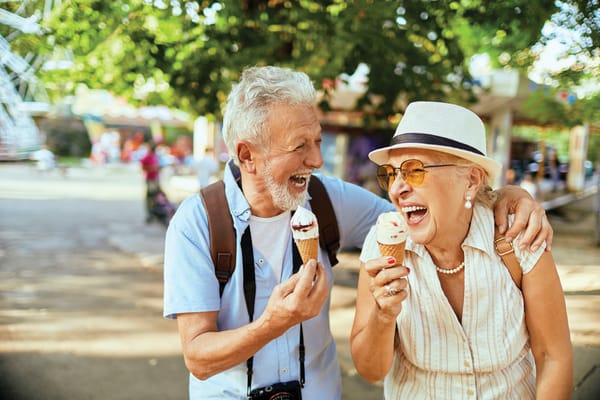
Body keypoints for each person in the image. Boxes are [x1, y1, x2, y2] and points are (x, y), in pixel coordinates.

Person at [163, 66, 553, 399]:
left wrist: (505, 195)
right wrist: (276, 321)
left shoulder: (328, 200)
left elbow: (425, 212)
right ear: (247, 155)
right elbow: (198, 357)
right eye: (300, 146)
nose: (316, 160)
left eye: (317, 141)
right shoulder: (197, 224)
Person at [350, 102, 572, 399]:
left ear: (471, 180)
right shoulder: (382, 242)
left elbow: (553, 358)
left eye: (415, 170)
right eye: (390, 174)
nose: (396, 188)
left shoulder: (519, 235)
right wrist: (383, 316)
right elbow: (371, 371)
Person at [139, 142, 161, 222]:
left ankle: (156, 212)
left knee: (156, 197)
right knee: (150, 197)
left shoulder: (155, 157)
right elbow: (142, 167)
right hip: (150, 179)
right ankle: (150, 214)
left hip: (155, 179)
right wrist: (152, 169)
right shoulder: (147, 157)